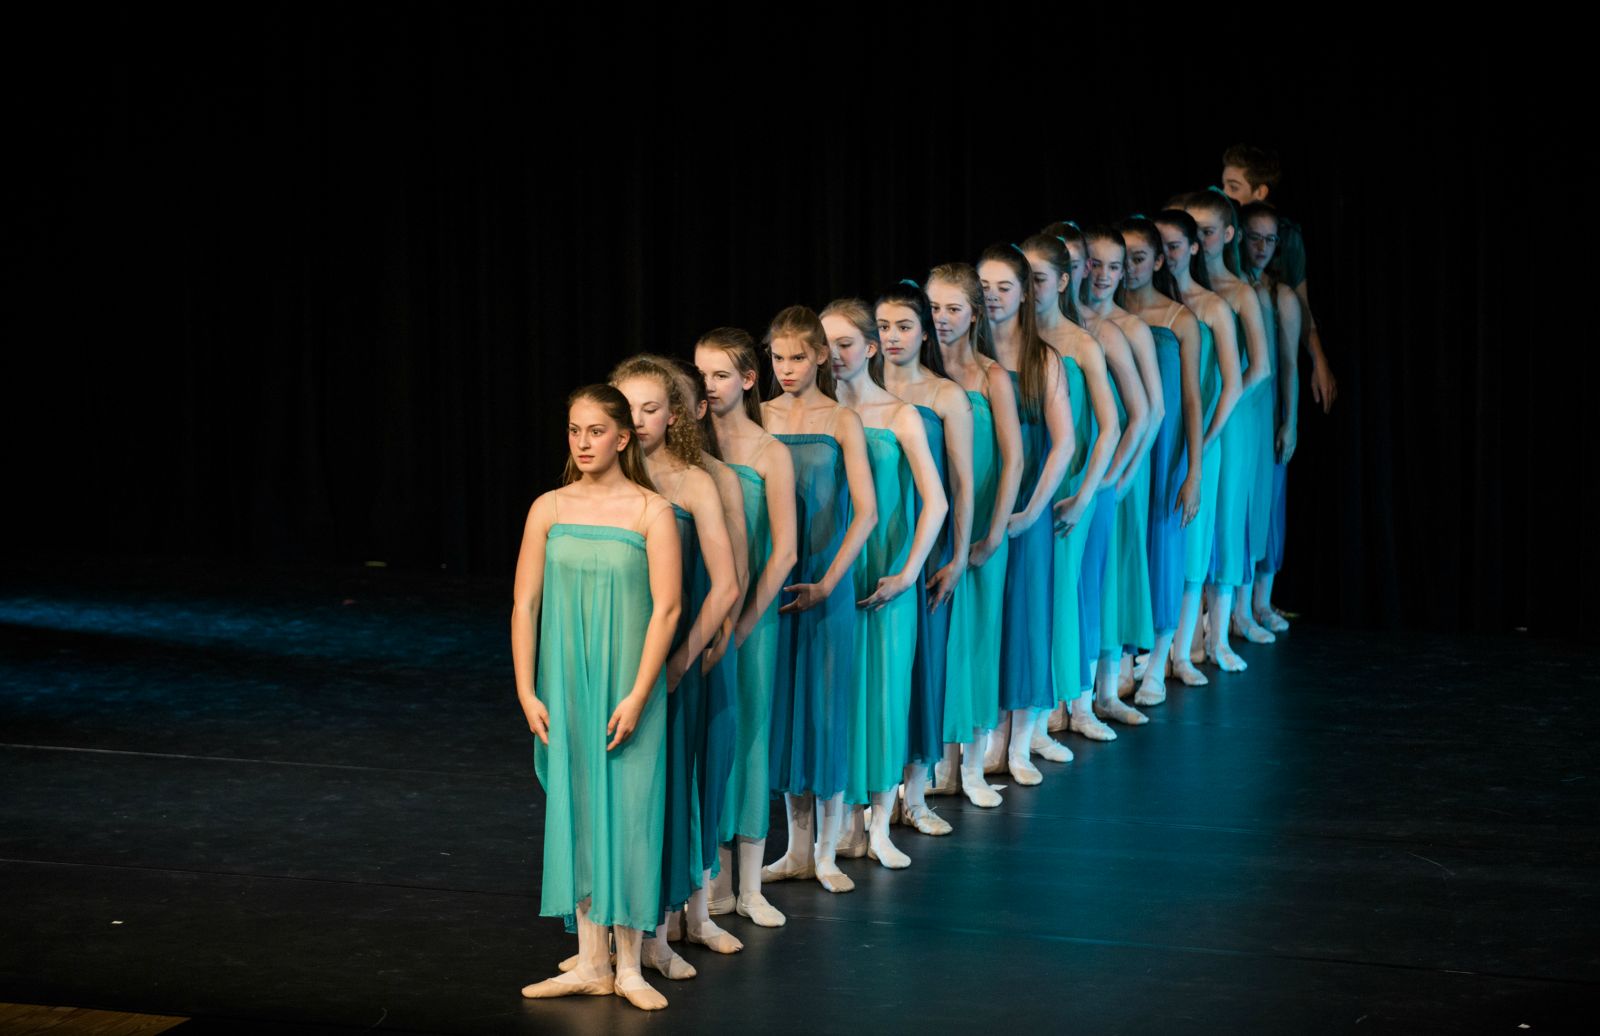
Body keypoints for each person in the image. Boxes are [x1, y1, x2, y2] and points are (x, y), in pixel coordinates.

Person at [514, 384, 681, 1012]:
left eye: (595, 431)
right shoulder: (549, 508)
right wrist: (527, 688)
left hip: (626, 688)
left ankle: (630, 964)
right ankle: (590, 961)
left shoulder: (650, 512)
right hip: (566, 686)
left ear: (622, 437)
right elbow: (524, 603)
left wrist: (639, 694)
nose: (583, 442)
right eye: (574, 430)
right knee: (581, 813)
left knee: (631, 817)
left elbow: (667, 610)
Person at [611, 354, 742, 979]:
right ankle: (609, 936)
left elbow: (725, 583)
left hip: (672, 667)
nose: (636, 421)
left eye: (649, 408)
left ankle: (659, 933)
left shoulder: (693, 481)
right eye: (626, 406)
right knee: (617, 800)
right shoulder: (607, 477)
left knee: (666, 797)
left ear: (674, 415)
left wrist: (681, 661)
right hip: (616, 660)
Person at [825, 297, 948, 868]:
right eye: (825, 345)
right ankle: (840, 830)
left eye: (845, 343)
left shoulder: (899, 415)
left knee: (885, 695)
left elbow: (936, 502)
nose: (834, 355)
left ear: (870, 348)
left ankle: (879, 826)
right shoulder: (820, 413)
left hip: (887, 567)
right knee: (842, 698)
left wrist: (907, 571)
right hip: (835, 567)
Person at [760, 305, 878, 896]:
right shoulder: (758, 420)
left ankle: (827, 852)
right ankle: (795, 848)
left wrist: (831, 582)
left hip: (827, 585)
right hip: (778, 584)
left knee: (825, 713)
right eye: (778, 358)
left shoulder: (841, 420)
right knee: (784, 711)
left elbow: (867, 512)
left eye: (798, 357)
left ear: (821, 357)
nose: (786, 368)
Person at [695, 328, 798, 929]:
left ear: (748, 380)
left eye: (720, 374)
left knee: (750, 737)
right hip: (706, 612)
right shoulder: (694, 447)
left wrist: (745, 625)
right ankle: (710, 878)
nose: (707, 385)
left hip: (751, 621)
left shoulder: (769, 451)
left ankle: (751, 884)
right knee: (711, 739)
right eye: (701, 373)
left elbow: (782, 552)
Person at [876, 280, 974, 833]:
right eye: (884, 327)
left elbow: (960, 485)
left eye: (904, 326)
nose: (893, 337)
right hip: (877, 543)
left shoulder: (944, 395)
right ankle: (869, 796)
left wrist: (958, 555)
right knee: (877, 676)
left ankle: (914, 796)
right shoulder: (854, 393)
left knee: (923, 668)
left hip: (928, 543)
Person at [924, 262, 1021, 807]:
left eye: (953, 309)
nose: (941, 320)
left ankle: (975, 765)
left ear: (974, 314)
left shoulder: (992, 377)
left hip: (982, 517)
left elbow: (1012, 460)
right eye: (934, 309)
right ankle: (935, 761)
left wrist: (994, 531)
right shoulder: (924, 374)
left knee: (978, 637)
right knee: (939, 638)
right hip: (936, 515)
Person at [978, 244, 1075, 782]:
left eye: (1003, 288)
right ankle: (983, 738)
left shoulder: (1043, 359)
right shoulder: (969, 358)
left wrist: (1033, 510)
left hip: (1026, 505)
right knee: (984, 619)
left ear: (1025, 292)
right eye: (984, 288)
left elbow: (1064, 442)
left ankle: (1018, 742)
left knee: (1024, 616)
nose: (992, 298)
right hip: (982, 498)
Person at [1020, 231, 1118, 748]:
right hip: (1024, 484)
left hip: (1070, 485)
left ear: (1061, 281)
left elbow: (1110, 426)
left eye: (1037, 279)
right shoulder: (1009, 342)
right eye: (1024, 279)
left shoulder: (1082, 344)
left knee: (1064, 594)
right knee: (1032, 599)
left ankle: (1061, 711)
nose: (1029, 289)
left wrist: (1086, 493)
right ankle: (1030, 718)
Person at [1183, 190, 1271, 672]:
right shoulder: (1182, 290)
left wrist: (1220, 416)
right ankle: (1189, 638)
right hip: (1194, 419)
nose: (1201, 239)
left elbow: (1259, 367)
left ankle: (1219, 636)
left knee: (1227, 519)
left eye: (1208, 230)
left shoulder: (1240, 293)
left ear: (1227, 235)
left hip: (1232, 421)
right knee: (1194, 524)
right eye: (1192, 231)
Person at [1155, 208, 1242, 686]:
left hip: (1199, 438)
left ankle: (1184, 651)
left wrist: (1203, 444)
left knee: (1192, 546)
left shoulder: (1211, 307)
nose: (1167, 256)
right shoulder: (1145, 301)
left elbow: (1232, 382)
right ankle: (1152, 653)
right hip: (1161, 440)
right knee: (1160, 545)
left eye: (1175, 245)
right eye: (1159, 246)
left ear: (1192, 247)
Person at [1118, 216, 1203, 705]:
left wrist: (1193, 470)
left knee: (1164, 547)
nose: (1130, 268)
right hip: (1129, 446)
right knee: (1129, 551)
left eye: (1138, 258)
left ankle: (1157, 664)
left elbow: (1192, 398)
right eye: (1122, 258)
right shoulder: (1106, 313)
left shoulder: (1178, 318)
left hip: (1166, 444)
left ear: (1157, 260)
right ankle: (1124, 660)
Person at [1072, 229, 1152, 728]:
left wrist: (1116, 478)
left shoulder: (1116, 330)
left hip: (1109, 471)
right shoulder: (1060, 326)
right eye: (1090, 264)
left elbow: (1147, 413)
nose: (1099, 275)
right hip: (1072, 470)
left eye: (1109, 266)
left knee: (1105, 583)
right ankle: (1065, 700)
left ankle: (1101, 693)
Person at [1219, 144, 1337, 413]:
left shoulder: (1287, 235)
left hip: (1269, 348)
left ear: (1260, 192)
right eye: (1224, 186)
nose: (1225, 194)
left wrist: (1319, 360)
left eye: (1233, 187)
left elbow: (1301, 302)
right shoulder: (1225, 230)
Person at [1237, 203, 1303, 633]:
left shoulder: (1280, 296)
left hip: (1265, 412)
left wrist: (1290, 421)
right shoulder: (1233, 288)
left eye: (1269, 239)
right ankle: (1230, 609)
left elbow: (1290, 364)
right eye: (1254, 237)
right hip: (1237, 412)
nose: (1261, 247)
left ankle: (1259, 603)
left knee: (1267, 505)